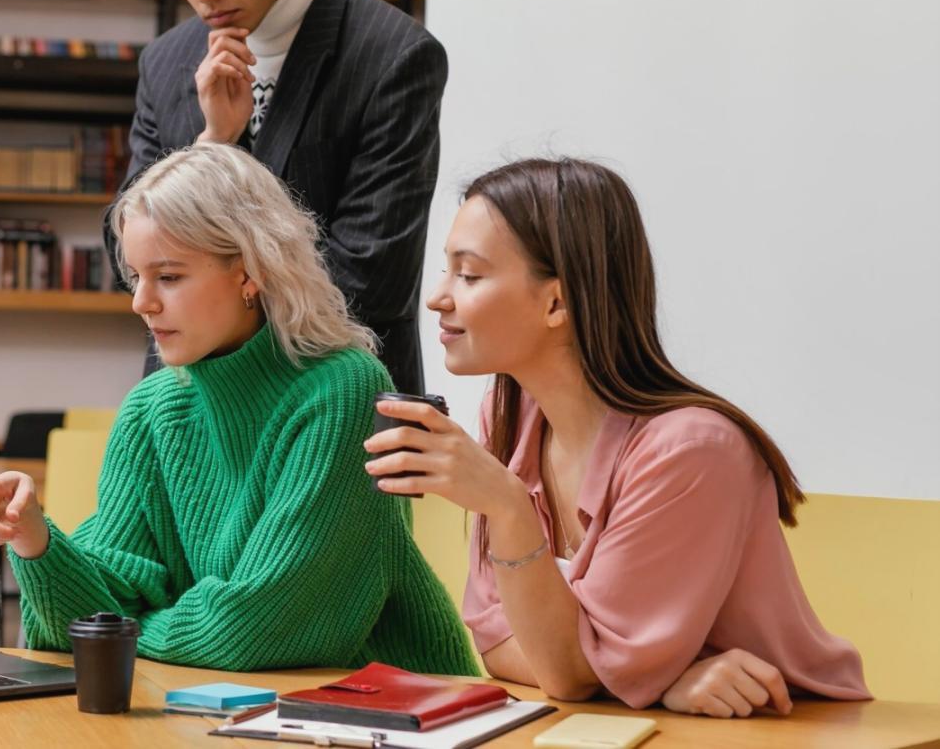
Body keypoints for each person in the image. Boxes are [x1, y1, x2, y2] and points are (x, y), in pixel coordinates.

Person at [0, 144, 477, 674]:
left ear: (248, 272)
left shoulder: (343, 391)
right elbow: (77, 630)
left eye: (168, 277)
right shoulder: (153, 407)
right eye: (136, 277)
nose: (141, 302)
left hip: (383, 715)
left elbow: (261, 629)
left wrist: (130, 631)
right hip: (218, 709)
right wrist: (36, 542)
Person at [365, 157, 869, 714]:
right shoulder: (509, 419)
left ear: (557, 301)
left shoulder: (693, 452)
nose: (438, 297)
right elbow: (499, 645)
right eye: (447, 270)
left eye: (470, 274)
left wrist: (510, 508)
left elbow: (565, 673)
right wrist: (649, 679)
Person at [119, 0, 445, 394]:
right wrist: (212, 148)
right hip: (187, 412)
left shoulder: (393, 56)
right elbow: (121, 248)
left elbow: (371, 278)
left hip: (335, 409)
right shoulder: (165, 62)